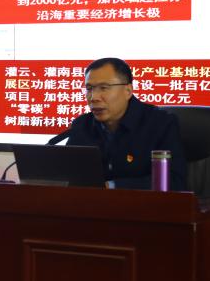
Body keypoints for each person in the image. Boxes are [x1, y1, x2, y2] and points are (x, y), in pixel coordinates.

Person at [65, 57, 187, 191]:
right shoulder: (81, 125)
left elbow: (174, 181)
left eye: (104, 88)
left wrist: (112, 187)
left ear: (128, 91)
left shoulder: (160, 124)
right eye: (89, 89)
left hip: (144, 203)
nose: (94, 97)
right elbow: (66, 176)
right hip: (91, 203)